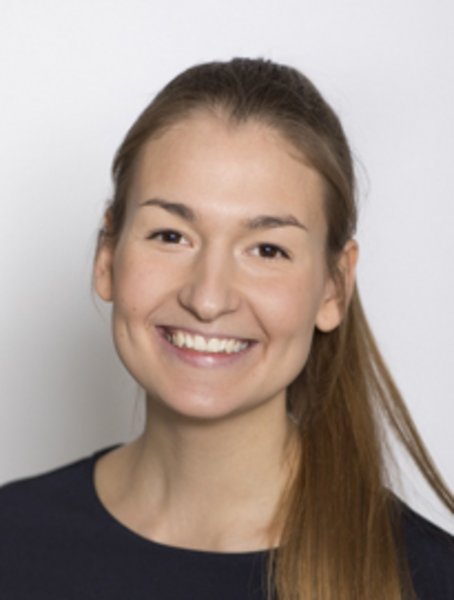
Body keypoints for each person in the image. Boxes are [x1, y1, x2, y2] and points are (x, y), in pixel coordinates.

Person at [0, 58, 452, 600]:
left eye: (267, 249)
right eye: (171, 236)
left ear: (334, 288)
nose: (208, 299)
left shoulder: (431, 579)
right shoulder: (12, 538)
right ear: (107, 257)